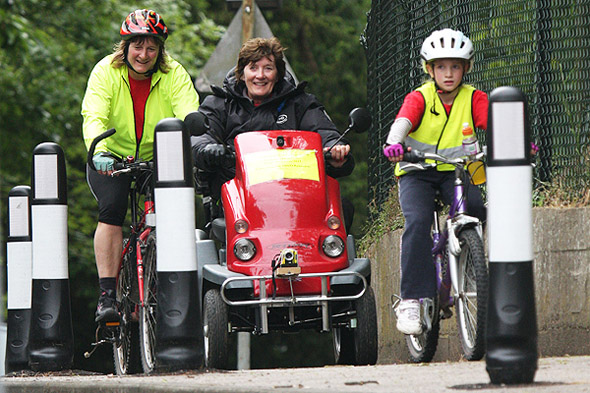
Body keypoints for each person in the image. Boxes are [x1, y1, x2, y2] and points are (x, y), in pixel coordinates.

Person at [81, 9, 200, 324]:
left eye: (151, 47)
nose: (143, 55)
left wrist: (196, 139)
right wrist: (100, 151)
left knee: (174, 212)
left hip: (159, 157)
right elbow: (94, 115)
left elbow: (189, 114)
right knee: (112, 209)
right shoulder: (106, 71)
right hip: (111, 156)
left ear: (160, 49)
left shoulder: (174, 73)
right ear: (125, 46)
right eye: (137, 46)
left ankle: (168, 283)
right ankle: (107, 293)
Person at [382, 29, 488, 335]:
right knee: (417, 222)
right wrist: (395, 143)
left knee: (477, 209)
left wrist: (512, 139)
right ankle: (411, 300)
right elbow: (403, 121)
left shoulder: (473, 97)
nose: (449, 73)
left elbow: (491, 120)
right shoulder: (420, 97)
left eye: (455, 66)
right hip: (417, 171)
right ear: (430, 69)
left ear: (465, 68)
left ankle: (470, 263)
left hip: (454, 171)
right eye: (441, 66)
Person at [191, 37, 355, 230]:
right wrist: (208, 148)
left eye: (268, 68)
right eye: (253, 68)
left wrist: (335, 149)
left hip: (296, 197)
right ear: (242, 73)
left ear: (277, 75)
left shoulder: (300, 103)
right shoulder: (220, 104)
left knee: (340, 209)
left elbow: (323, 131)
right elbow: (201, 135)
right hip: (240, 200)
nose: (260, 75)